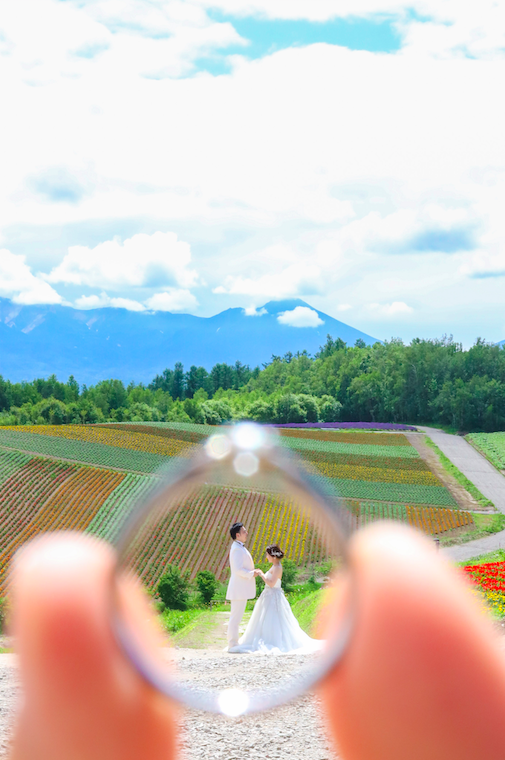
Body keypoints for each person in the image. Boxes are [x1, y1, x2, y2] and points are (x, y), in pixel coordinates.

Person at [9, 523, 505, 760]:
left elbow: (267, 577)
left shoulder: (256, 557)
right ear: (241, 536)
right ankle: (232, 644)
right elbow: (252, 573)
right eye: (248, 534)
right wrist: (260, 569)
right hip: (255, 591)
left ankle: (235, 645)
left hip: (262, 592)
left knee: (258, 628)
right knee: (248, 627)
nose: (252, 538)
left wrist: (265, 570)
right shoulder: (239, 553)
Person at [234, 544, 323, 654]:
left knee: (273, 619)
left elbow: (271, 583)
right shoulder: (275, 566)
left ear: (273, 556)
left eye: (268, 555)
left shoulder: (277, 568)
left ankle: (272, 639)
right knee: (266, 619)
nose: (267, 557)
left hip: (272, 596)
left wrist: (262, 574)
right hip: (269, 596)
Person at [225, 522, 258, 652]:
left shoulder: (240, 547)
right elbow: (237, 569)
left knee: (236, 618)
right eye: (244, 531)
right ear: (237, 535)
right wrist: (251, 574)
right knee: (235, 618)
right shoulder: (237, 549)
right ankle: (232, 644)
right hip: (238, 589)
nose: (247, 533)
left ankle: (234, 642)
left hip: (240, 589)